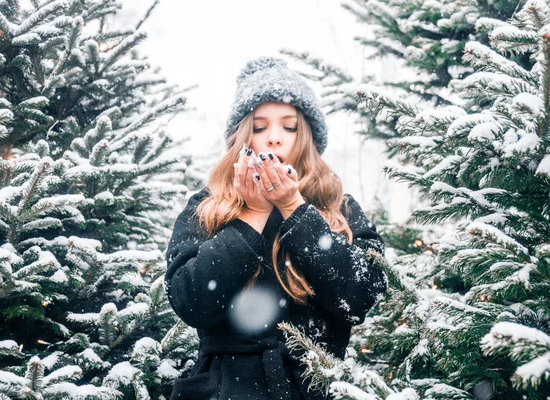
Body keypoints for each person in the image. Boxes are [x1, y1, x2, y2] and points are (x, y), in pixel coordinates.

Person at [164, 56, 387, 400]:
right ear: (242, 137)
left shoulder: (338, 206)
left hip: (316, 387)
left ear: (307, 136)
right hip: (225, 390)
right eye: (259, 126)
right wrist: (252, 214)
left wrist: (294, 209)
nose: (274, 139)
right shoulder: (208, 205)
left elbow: (359, 298)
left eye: (289, 126)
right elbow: (190, 300)